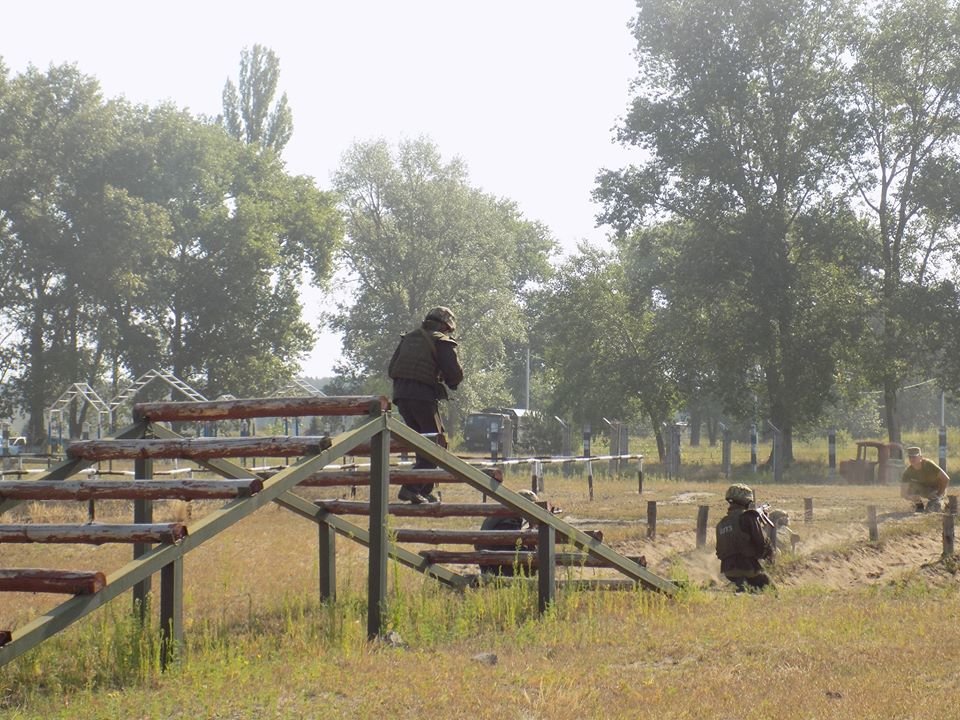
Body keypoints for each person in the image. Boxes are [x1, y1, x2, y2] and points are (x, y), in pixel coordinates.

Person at [388, 306, 464, 504]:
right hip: (422, 396)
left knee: (424, 444)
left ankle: (423, 488)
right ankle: (411, 488)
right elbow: (454, 374)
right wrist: (451, 382)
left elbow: (392, 369)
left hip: (401, 397)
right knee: (435, 444)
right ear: (444, 325)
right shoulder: (441, 341)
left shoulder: (408, 338)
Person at [715, 483, 774, 593]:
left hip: (727, 570)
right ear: (747, 501)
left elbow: (719, 551)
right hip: (748, 567)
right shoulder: (748, 518)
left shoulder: (721, 523)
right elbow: (762, 544)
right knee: (771, 590)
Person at [475, 489, 540, 577]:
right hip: (498, 565)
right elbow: (511, 545)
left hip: (490, 562)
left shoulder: (500, 515)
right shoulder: (510, 518)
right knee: (535, 559)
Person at [901, 446, 949, 512]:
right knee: (911, 487)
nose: (912, 459)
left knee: (931, 509)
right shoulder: (907, 472)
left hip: (936, 490)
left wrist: (939, 495)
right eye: (910, 457)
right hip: (924, 490)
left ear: (921, 457)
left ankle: (941, 502)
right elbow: (903, 493)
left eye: (914, 457)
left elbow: (946, 479)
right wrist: (912, 497)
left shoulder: (928, 464)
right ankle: (919, 507)